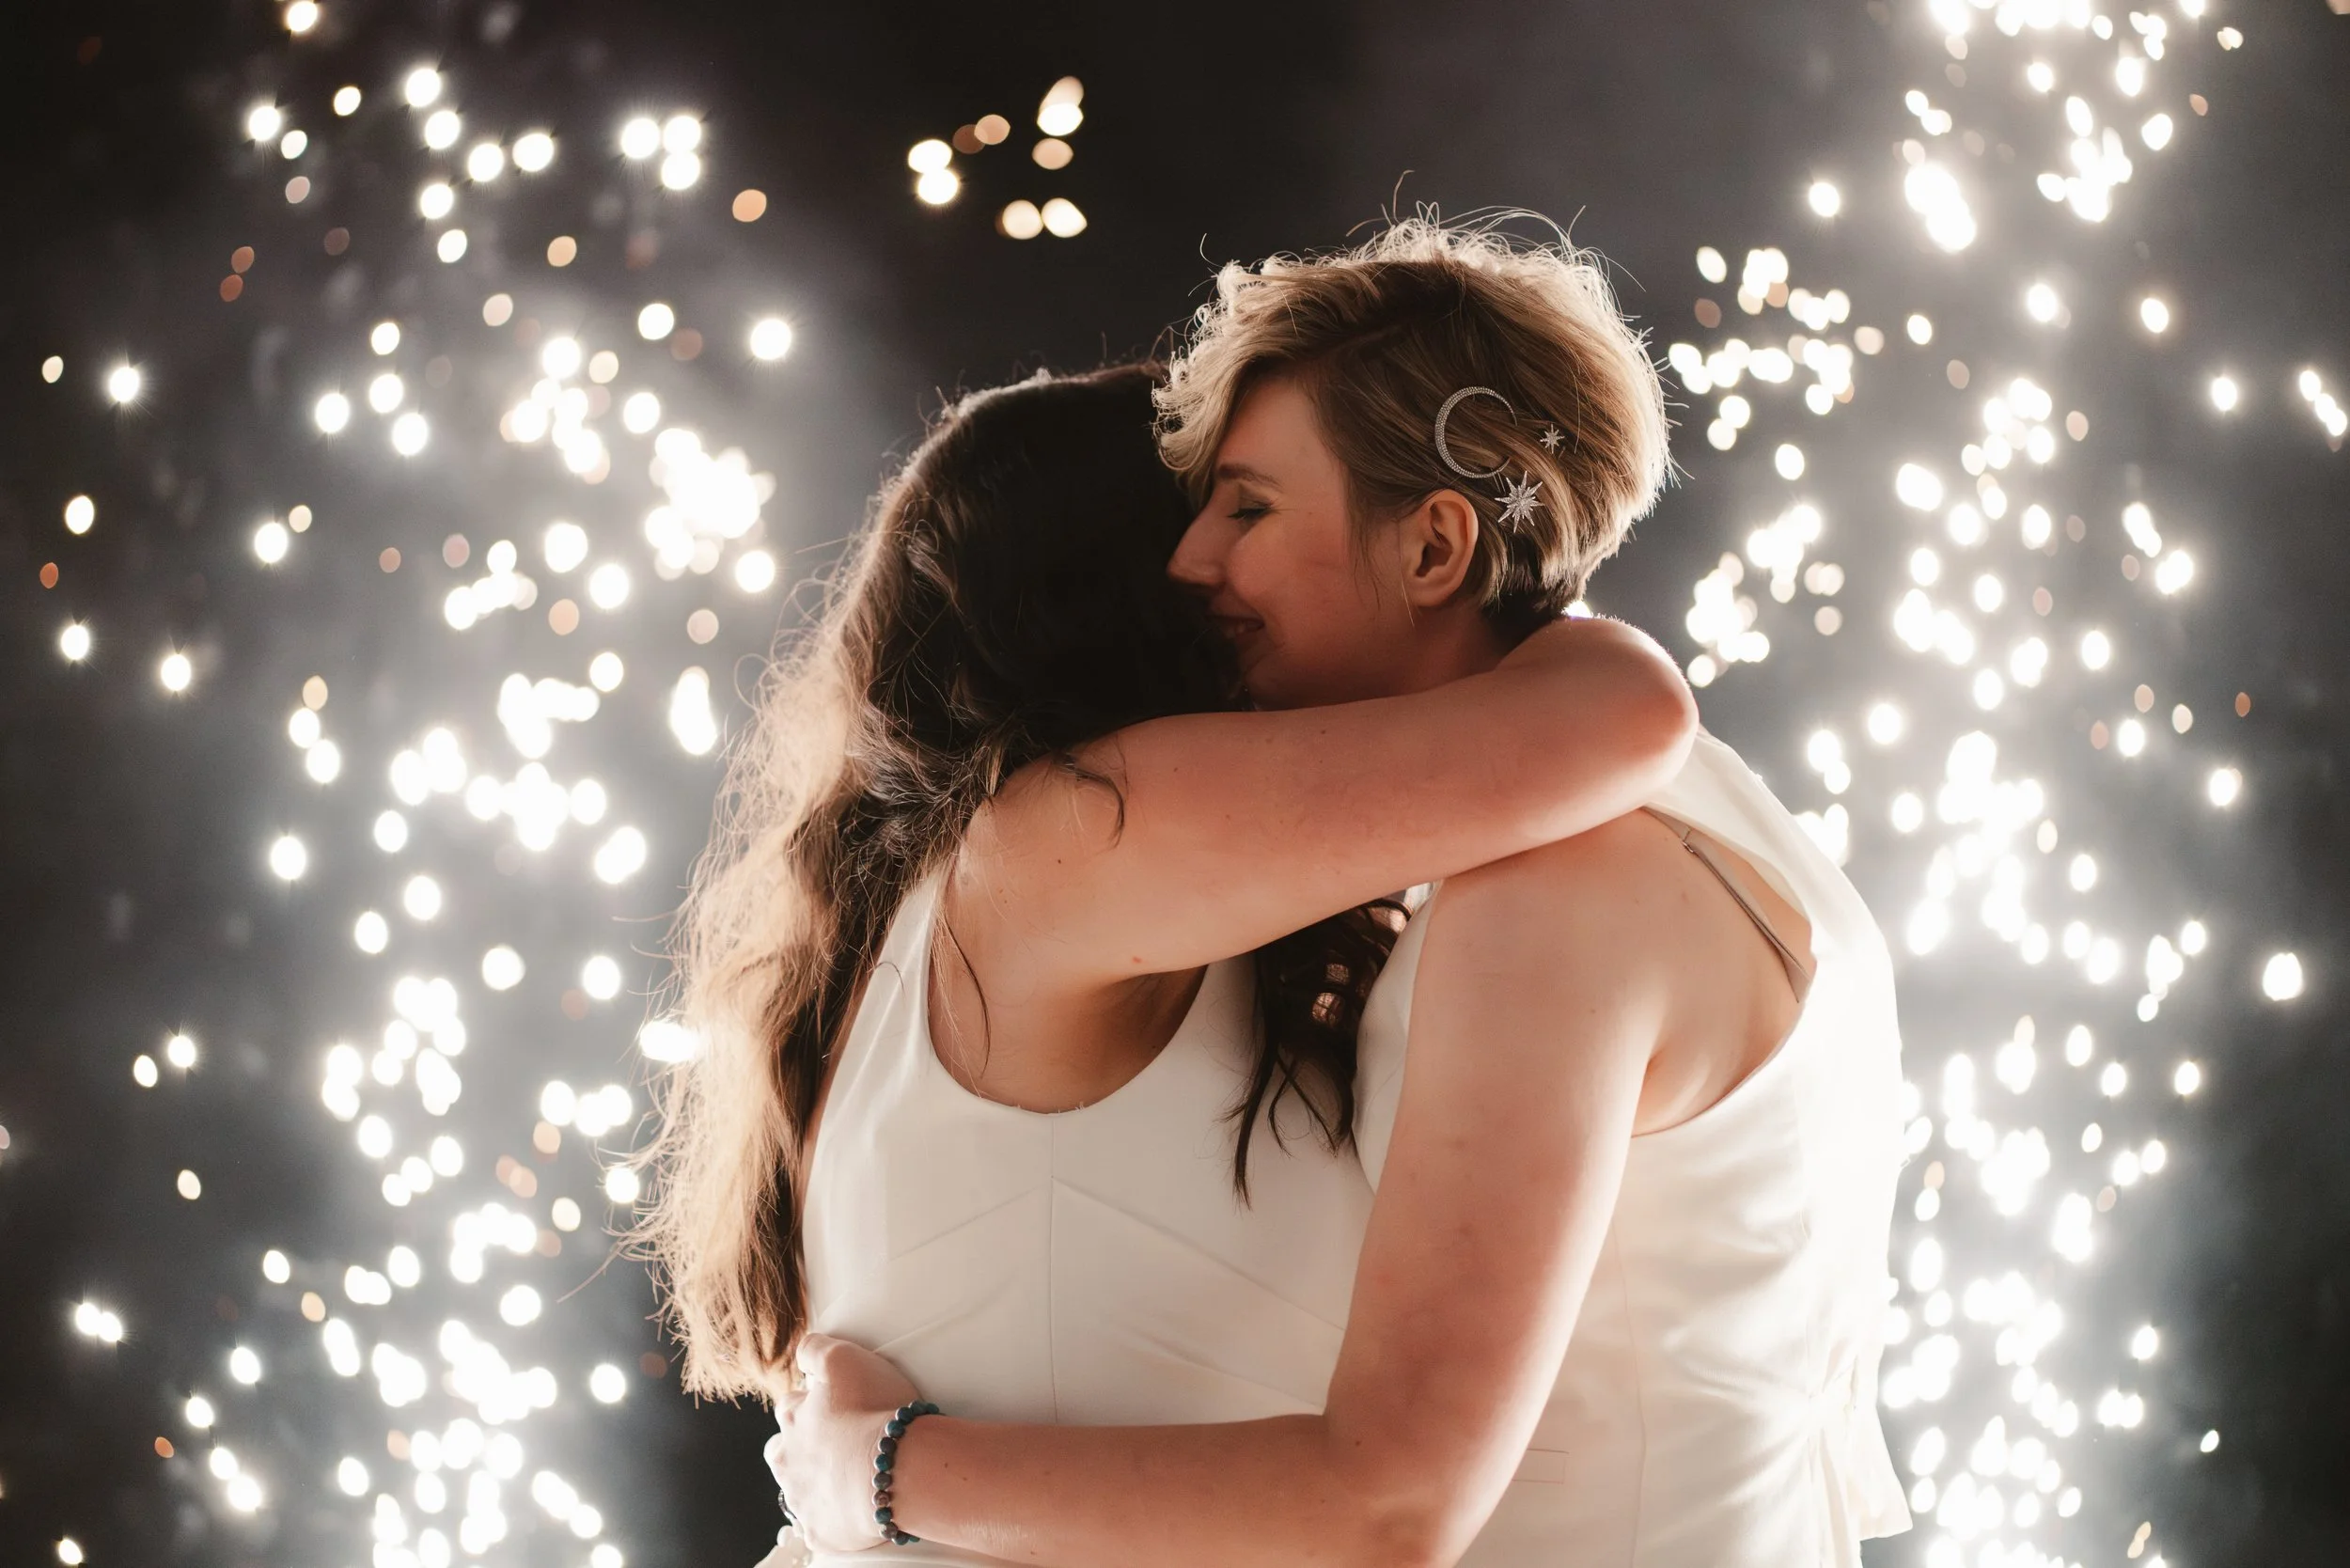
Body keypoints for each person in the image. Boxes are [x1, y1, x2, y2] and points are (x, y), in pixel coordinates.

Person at [760, 222, 1912, 1567]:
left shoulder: (1550, 899)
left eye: (1248, 508)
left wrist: (892, 1470)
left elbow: (1389, 1504)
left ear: (1433, 550)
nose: (1194, 564)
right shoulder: (1749, 851)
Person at [634, 340, 1699, 1558]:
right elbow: (1622, 716)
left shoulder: (980, 894)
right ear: (1136, 586)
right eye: (1226, 514)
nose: (1226, 564)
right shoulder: (1075, 835)